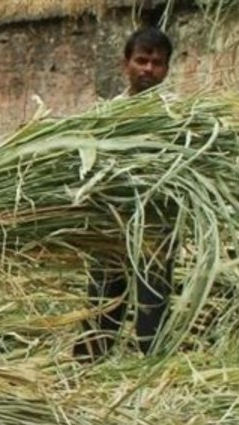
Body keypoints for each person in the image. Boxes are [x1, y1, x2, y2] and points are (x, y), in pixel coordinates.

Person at [74, 26, 175, 362]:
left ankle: (153, 369)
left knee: (153, 301)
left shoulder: (177, 117)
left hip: (156, 225)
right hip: (111, 220)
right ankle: (89, 368)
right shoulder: (106, 116)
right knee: (103, 297)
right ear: (126, 64)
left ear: (166, 69)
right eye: (141, 60)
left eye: (157, 63)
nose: (148, 68)